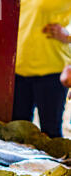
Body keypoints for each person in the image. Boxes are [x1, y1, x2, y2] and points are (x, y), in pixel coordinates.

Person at [12, 0, 71, 138]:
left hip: (52, 70)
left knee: (50, 134)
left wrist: (68, 36)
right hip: (18, 68)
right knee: (17, 133)